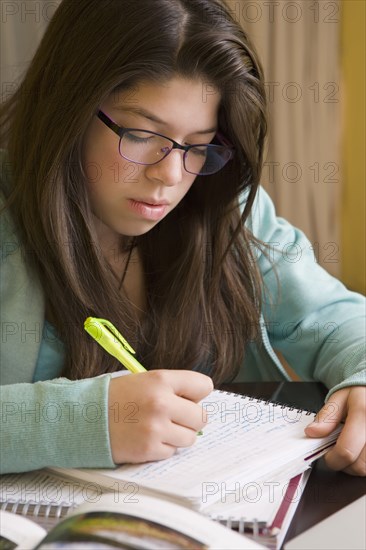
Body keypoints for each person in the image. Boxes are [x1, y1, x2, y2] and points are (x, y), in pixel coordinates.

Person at [0, 0, 364, 477]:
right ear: (67, 107)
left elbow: (332, 318)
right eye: (140, 133)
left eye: (199, 145)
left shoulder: (220, 208)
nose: (169, 175)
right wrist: (75, 421)